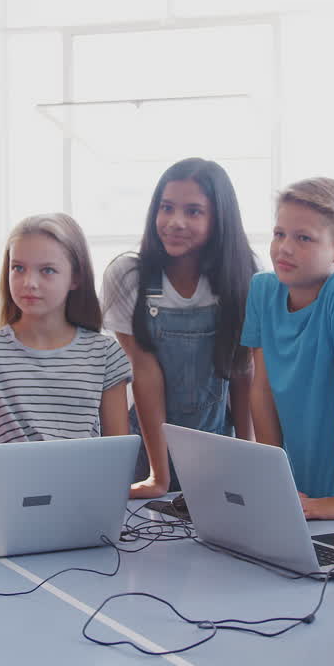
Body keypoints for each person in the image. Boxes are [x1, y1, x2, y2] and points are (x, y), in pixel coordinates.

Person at [101, 158, 259, 498]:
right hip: (148, 448)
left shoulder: (247, 275)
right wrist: (159, 476)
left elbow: (243, 370)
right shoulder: (128, 276)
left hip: (218, 448)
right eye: (166, 208)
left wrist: (249, 457)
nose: (175, 222)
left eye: (193, 211)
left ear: (220, 218)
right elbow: (145, 374)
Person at [242, 178, 334, 520]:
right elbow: (261, 392)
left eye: (303, 238)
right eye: (279, 234)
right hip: (298, 486)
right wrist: (274, 481)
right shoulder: (263, 290)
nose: (284, 248)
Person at [0, 214, 131, 444]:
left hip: (83, 481)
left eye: (47, 270)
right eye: (18, 268)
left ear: (75, 278)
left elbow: (117, 448)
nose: (29, 282)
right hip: (7, 481)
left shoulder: (106, 354)